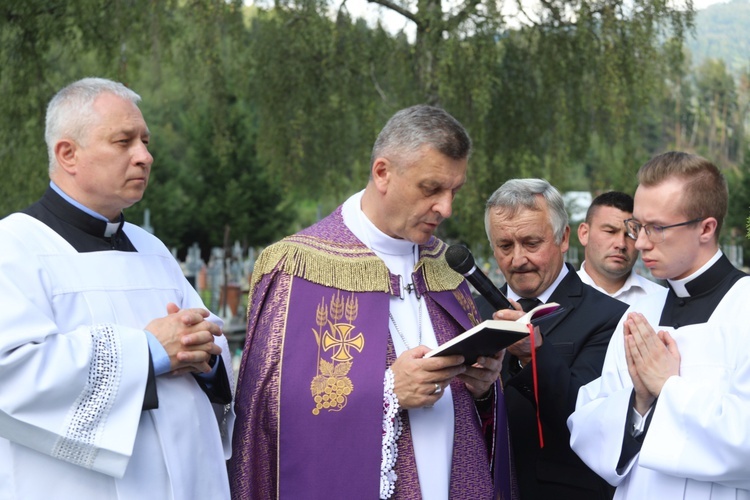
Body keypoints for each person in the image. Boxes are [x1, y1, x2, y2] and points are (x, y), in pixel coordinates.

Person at [229, 105, 515, 499]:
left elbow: (475, 410)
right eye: (431, 189)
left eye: (454, 191)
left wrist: (484, 388)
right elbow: (270, 414)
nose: (446, 208)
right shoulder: (300, 267)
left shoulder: (445, 270)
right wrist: (387, 392)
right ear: (383, 173)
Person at [0, 78, 234, 499]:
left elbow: (205, 342)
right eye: (124, 141)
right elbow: (12, 375)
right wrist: (147, 352)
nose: (144, 156)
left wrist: (207, 354)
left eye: (145, 141)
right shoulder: (14, 247)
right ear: (68, 154)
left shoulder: (153, 249)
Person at [568, 151, 750, 498]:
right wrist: (638, 401)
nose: (639, 242)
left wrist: (668, 388)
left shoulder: (745, 308)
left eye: (658, 228)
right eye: (638, 225)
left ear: (706, 228)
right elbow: (586, 422)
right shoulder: (640, 314)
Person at [478, 178, 628, 499]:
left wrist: (533, 355)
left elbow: (589, 418)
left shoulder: (610, 317)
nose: (518, 259)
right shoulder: (470, 313)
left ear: (563, 239)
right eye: (505, 246)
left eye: (532, 243)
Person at [577, 191, 664, 305]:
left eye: (630, 234)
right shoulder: (556, 298)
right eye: (610, 231)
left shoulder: (661, 302)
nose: (621, 244)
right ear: (584, 234)